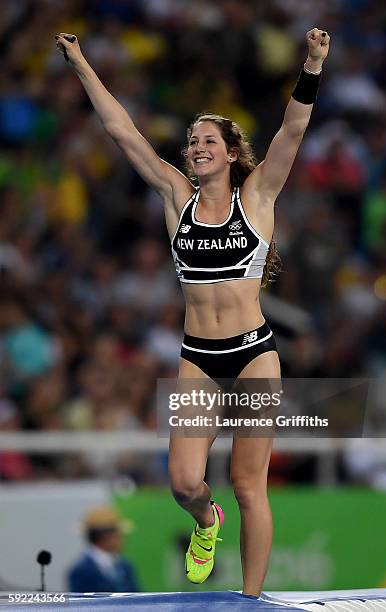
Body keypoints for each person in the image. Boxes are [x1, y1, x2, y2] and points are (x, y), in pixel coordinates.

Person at [55, 27, 330, 597]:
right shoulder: (174, 197)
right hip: (199, 359)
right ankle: (208, 524)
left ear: (230, 152)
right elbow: (120, 129)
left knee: (248, 484)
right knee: (185, 482)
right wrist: (81, 62)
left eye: (208, 140)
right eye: (191, 140)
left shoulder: (256, 197)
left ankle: (252, 601)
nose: (196, 146)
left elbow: (295, 127)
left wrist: (312, 62)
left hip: (253, 354)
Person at [67, 506, 140, 593]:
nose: (122, 539)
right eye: (117, 534)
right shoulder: (80, 571)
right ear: (105, 536)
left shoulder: (125, 565)